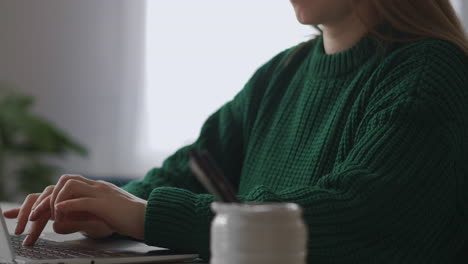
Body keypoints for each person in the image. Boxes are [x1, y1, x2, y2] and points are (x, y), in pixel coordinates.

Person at [4, 0, 468, 262]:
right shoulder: (281, 73)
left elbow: (361, 220)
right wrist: (100, 210)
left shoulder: (429, 74)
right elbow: (187, 171)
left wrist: (146, 214)